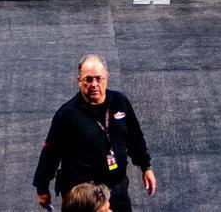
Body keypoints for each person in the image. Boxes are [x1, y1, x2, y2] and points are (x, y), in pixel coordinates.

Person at [33, 56, 155, 211]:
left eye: (99, 78)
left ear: (107, 78)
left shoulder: (120, 101)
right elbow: (50, 153)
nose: (94, 84)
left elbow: (135, 137)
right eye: (88, 80)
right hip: (84, 195)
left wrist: (146, 167)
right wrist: (42, 187)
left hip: (116, 187)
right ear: (79, 80)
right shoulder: (66, 115)